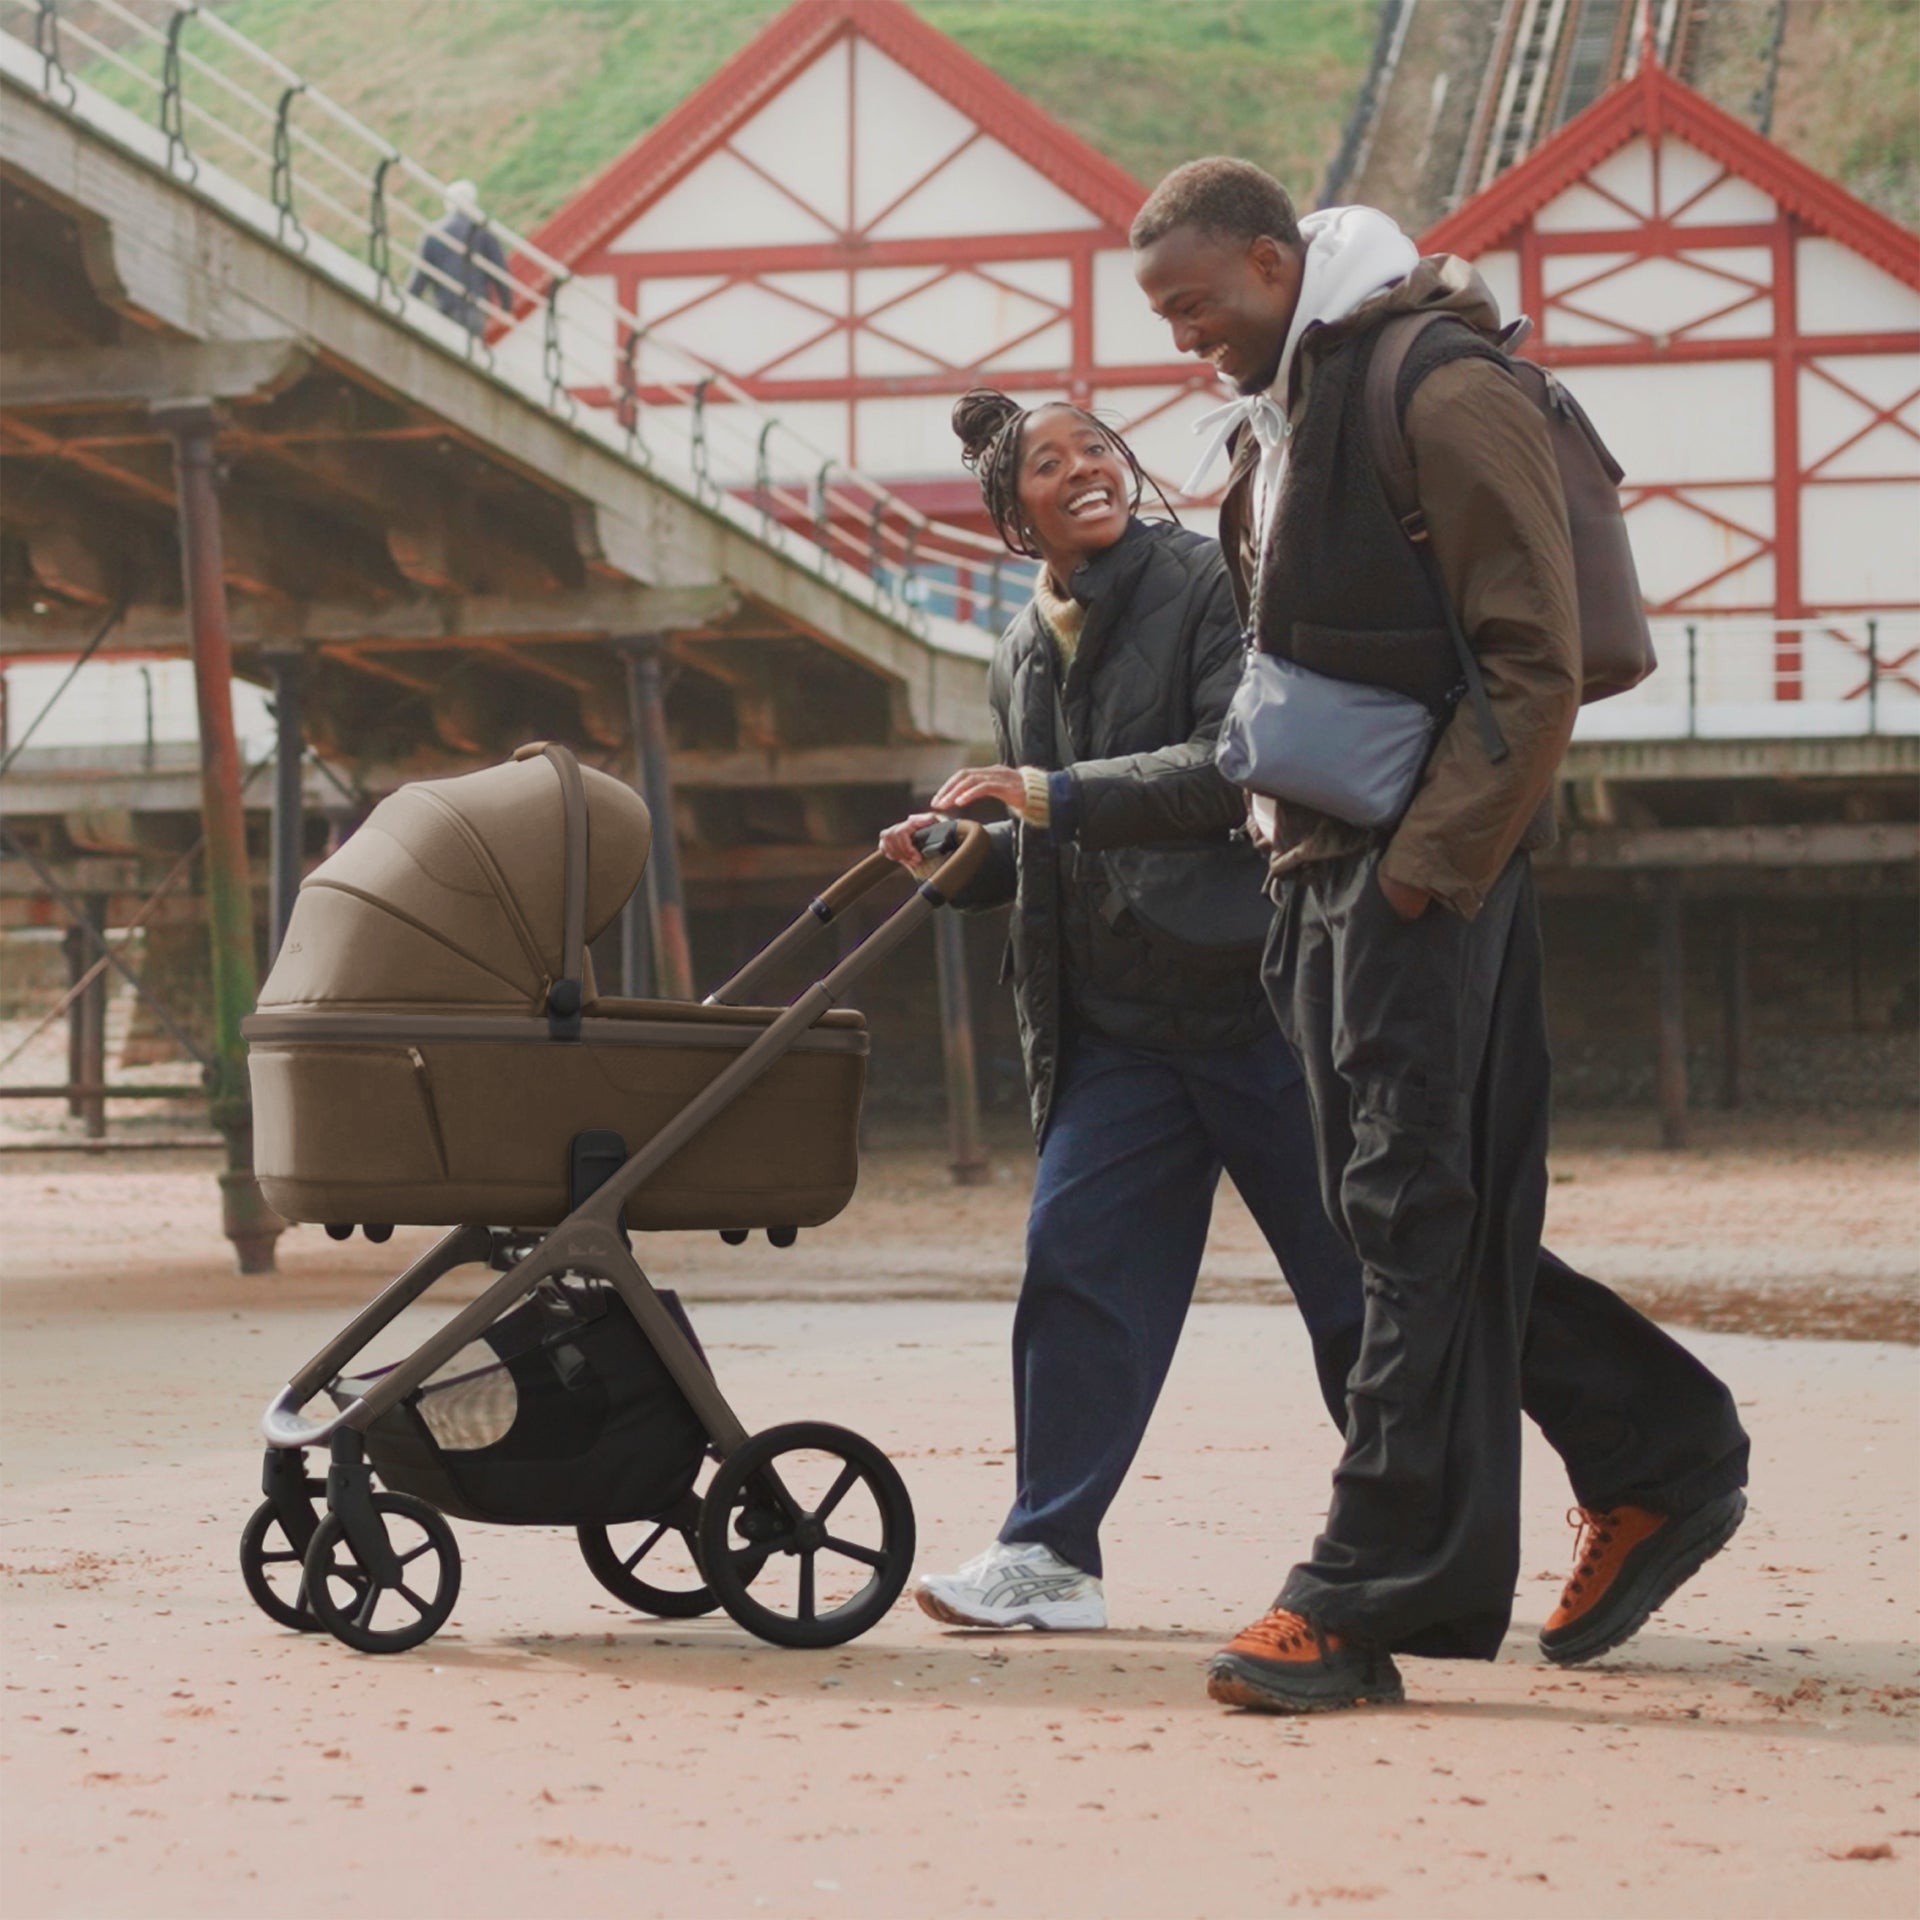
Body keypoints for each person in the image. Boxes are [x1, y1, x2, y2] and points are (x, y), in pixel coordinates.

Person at [1130, 158, 1751, 1713]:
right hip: (1315, 873)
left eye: (1195, 303)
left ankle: (1359, 1594)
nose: (1183, 336)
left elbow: (1535, 660)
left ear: (1272, 261)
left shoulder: (1440, 384)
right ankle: (1658, 1452)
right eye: (1164, 315)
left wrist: (1420, 877)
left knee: (1408, 1219)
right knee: (1406, 1226)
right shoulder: (1279, 416)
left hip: (1419, 876)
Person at [880, 389, 1364, 1632]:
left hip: (1257, 1006)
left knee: (1354, 1293)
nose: (1085, 469)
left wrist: (1044, 794)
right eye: (1050, 464)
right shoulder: (1016, 649)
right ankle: (1049, 1556)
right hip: (1116, 1034)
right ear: (1013, 511)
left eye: (1096, 447)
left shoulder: (1208, 582)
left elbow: (1235, 767)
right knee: (1076, 1274)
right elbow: (1048, 840)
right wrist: (964, 861)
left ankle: (1415, 1537)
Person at [410, 180, 512, 337]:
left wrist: (406, 306)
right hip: (473, 310)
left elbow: (418, 281)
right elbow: (499, 270)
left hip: (443, 313)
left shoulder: (432, 235)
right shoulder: (482, 230)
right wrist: (506, 304)